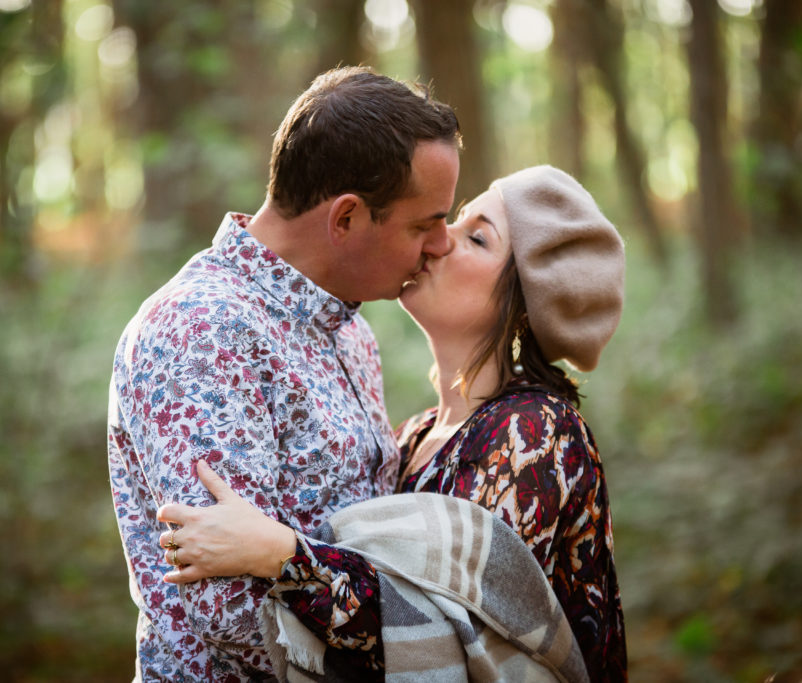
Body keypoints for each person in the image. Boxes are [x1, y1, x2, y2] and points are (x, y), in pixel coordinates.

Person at [157, 165, 629, 681]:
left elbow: (453, 640)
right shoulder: (414, 437)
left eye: (476, 237)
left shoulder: (536, 434)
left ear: (525, 303)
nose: (437, 237)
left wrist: (278, 553)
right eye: (456, 217)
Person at [107, 66, 461, 681]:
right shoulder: (202, 332)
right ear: (346, 218)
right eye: (423, 223)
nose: (442, 244)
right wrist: (420, 647)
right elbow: (231, 609)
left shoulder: (348, 326)